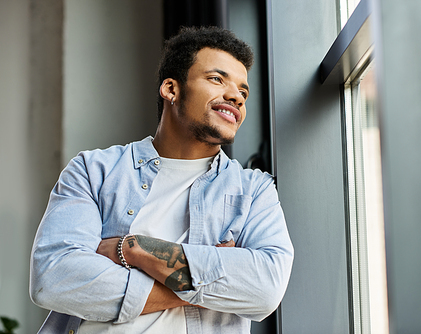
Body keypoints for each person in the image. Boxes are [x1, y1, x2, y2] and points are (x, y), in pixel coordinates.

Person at [29, 26, 294, 334]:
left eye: (243, 92)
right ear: (171, 89)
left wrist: (133, 249)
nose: (235, 96)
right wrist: (206, 285)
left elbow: (266, 289)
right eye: (216, 79)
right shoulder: (93, 171)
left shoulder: (254, 191)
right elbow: (54, 279)